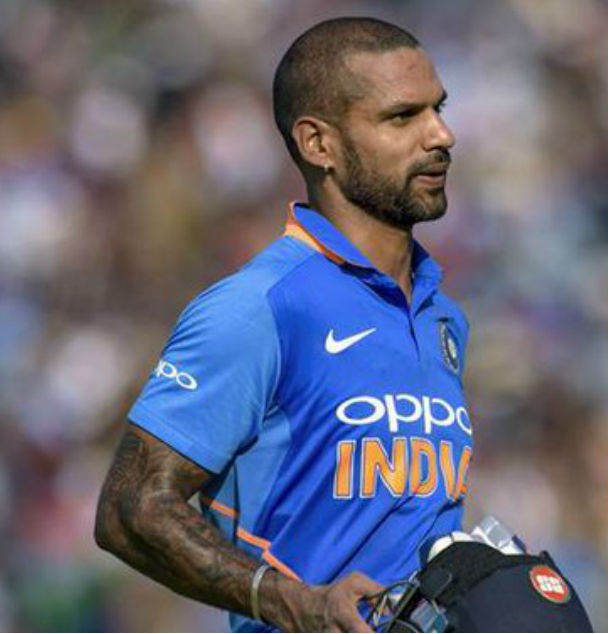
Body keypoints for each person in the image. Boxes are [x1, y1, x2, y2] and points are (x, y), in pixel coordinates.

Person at [94, 17, 471, 633]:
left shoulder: (443, 317)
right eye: (402, 117)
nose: (442, 135)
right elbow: (129, 508)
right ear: (318, 144)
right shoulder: (259, 307)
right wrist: (289, 601)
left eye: (439, 109)